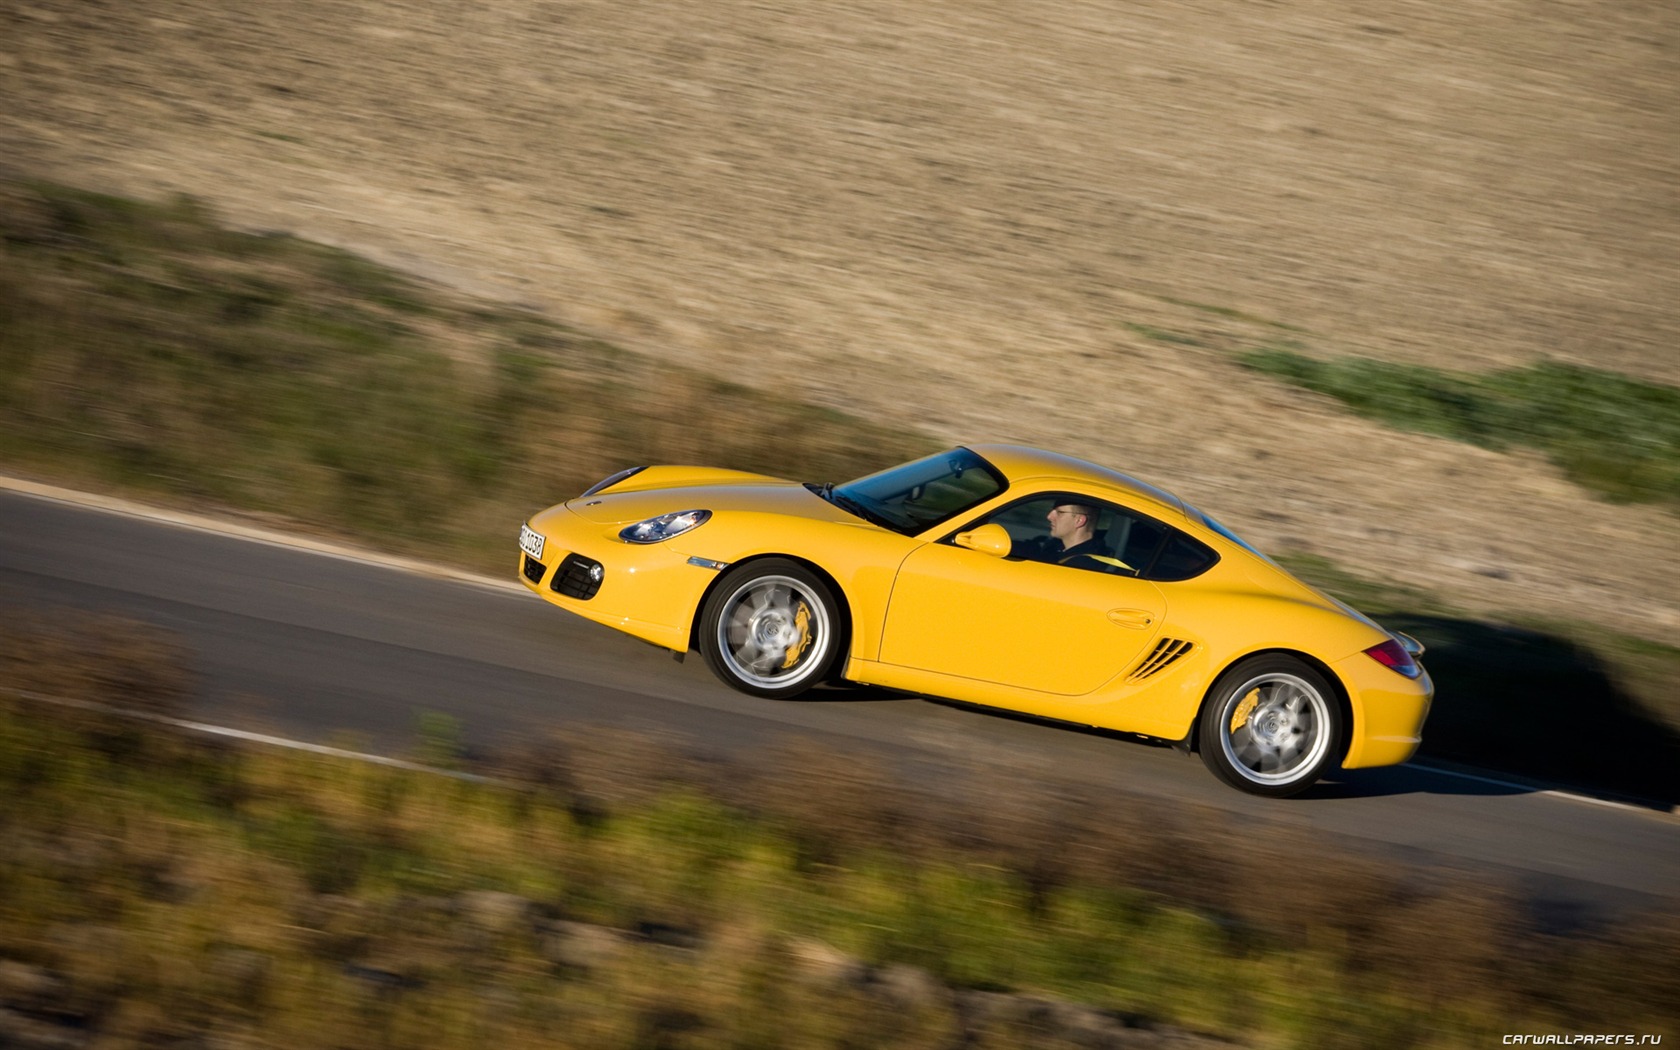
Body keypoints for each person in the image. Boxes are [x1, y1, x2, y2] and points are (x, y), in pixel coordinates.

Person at [1019, 501, 1131, 573]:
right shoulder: (1056, 546)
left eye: (1060, 512)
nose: (1049, 516)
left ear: (1079, 521)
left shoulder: (1081, 567)